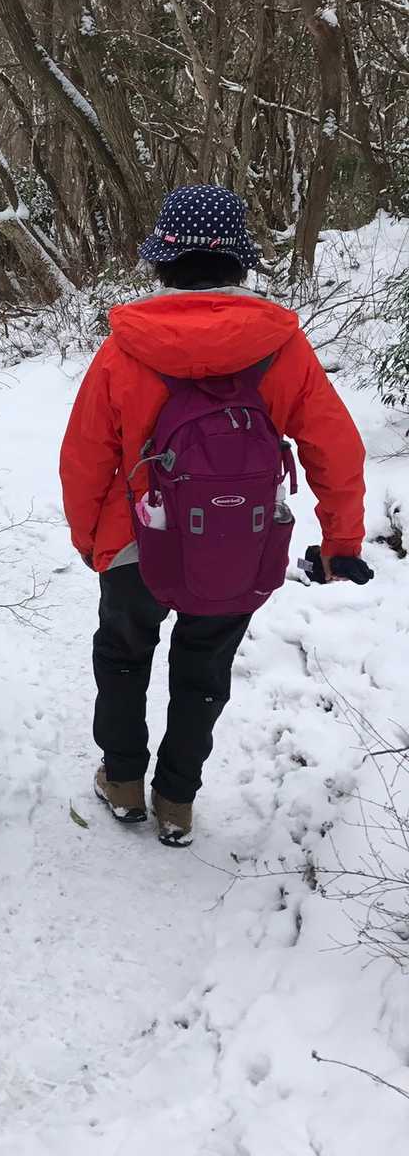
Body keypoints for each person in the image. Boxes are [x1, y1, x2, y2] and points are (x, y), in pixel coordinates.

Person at [59, 185, 371, 847]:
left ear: (162, 261)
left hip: (135, 539)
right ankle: (176, 800)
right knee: (204, 666)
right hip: (237, 537)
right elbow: (335, 447)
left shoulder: (125, 348)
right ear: (240, 261)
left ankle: (122, 782)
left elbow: (85, 456)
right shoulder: (280, 347)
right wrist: (340, 539)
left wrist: (91, 540)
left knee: (123, 654)